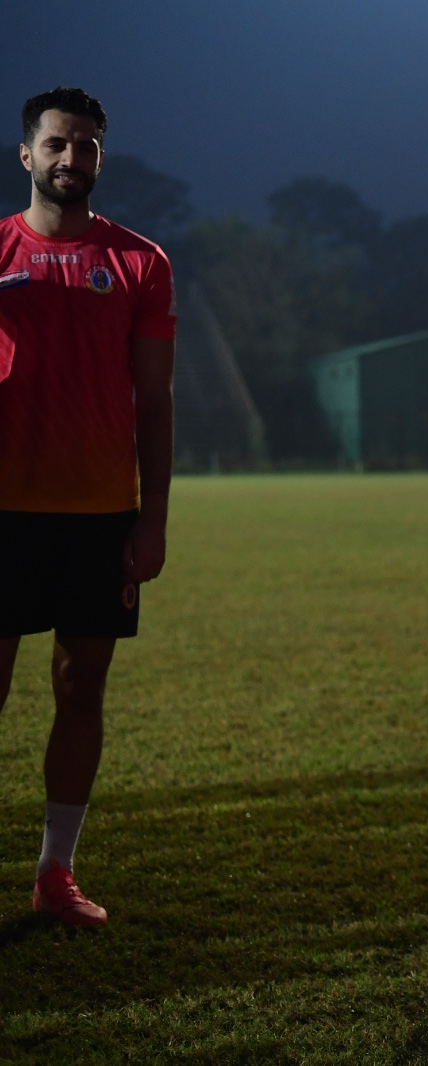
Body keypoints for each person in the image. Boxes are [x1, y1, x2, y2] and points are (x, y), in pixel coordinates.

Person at [0, 88, 177, 929]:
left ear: (102, 158)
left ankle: (54, 874)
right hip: (2, 510)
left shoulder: (142, 263)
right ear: (27, 154)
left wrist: (154, 516)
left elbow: (154, 401)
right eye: (57, 145)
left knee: (82, 688)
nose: (73, 160)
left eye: (88, 147)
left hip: (102, 514)